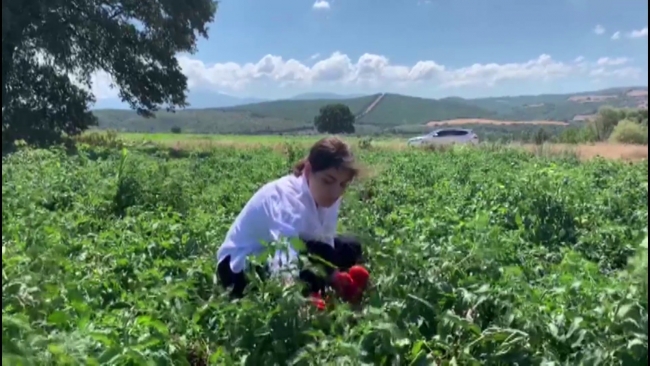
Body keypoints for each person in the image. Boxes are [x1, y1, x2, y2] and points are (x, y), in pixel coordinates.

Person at [215, 136, 366, 299]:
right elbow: (285, 253)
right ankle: (309, 297)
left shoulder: (327, 195)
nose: (336, 192)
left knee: (349, 247)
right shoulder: (287, 197)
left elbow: (325, 239)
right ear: (308, 171)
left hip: (277, 252)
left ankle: (321, 289)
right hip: (237, 269)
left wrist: (334, 276)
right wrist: (295, 300)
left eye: (343, 184)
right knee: (310, 266)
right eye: (328, 181)